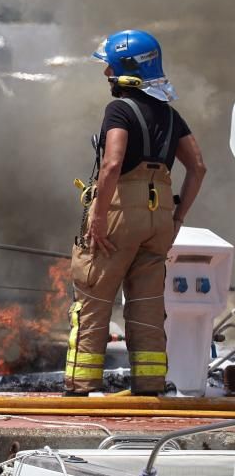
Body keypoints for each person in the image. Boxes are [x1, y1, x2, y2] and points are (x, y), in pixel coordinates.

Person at [64, 30, 207, 396]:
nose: (105, 73)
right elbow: (198, 167)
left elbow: (112, 164)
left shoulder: (119, 110)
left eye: (109, 65)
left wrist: (97, 215)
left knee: (93, 298)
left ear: (125, 68)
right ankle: (149, 385)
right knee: (146, 306)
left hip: (119, 214)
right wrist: (176, 220)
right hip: (159, 220)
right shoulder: (172, 116)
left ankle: (80, 387)